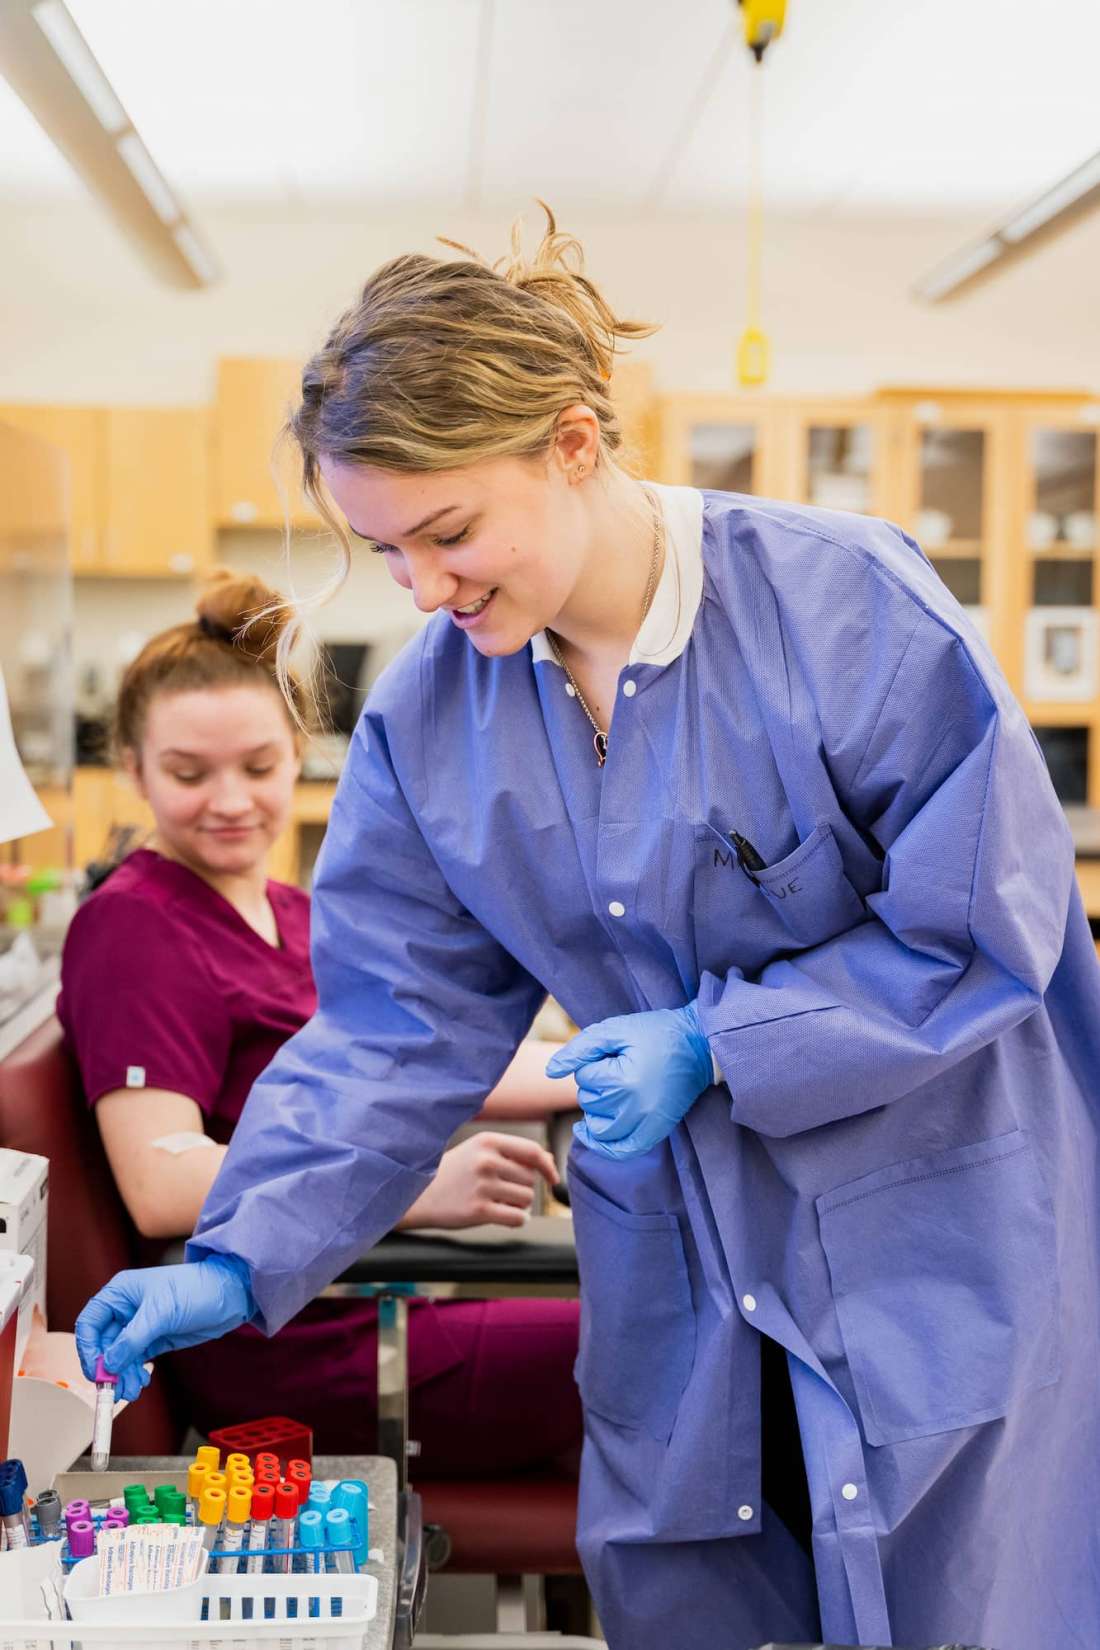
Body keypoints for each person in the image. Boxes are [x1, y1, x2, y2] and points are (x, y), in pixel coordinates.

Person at [77, 207, 1100, 1650]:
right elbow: (392, 1028)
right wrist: (239, 1253)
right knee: (702, 1586)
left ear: (571, 442)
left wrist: (719, 1036)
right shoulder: (435, 715)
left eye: (447, 532)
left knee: (960, 1595)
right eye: (383, 551)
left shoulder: (843, 612)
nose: (424, 589)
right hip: (679, 1254)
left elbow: (985, 927)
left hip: (926, 1230)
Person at [60, 568, 582, 1472]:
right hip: (302, 1336)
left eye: (258, 767)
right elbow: (159, 1182)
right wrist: (421, 1189)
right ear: (133, 767)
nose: (230, 801)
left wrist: (638, 1058)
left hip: (366, 1286)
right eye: (189, 774)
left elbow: (422, 1057)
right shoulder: (134, 928)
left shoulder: (291, 909)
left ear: (300, 753)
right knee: (680, 1350)